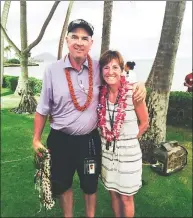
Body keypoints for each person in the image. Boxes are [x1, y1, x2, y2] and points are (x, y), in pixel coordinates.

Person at [33, 19, 147, 218]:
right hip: (60, 140)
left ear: (91, 43)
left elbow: (120, 76)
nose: (79, 42)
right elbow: (42, 108)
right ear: (67, 40)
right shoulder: (52, 70)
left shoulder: (99, 68)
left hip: (89, 143)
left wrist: (141, 83)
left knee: (90, 184)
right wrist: (36, 138)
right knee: (63, 183)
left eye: (84, 38)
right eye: (75, 37)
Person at [98, 50, 149, 218]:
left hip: (129, 155)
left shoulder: (133, 93)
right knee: (112, 192)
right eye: (106, 67)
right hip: (107, 153)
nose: (110, 71)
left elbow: (144, 123)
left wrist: (130, 141)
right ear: (101, 71)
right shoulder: (101, 95)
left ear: (121, 70)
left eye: (114, 67)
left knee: (126, 197)